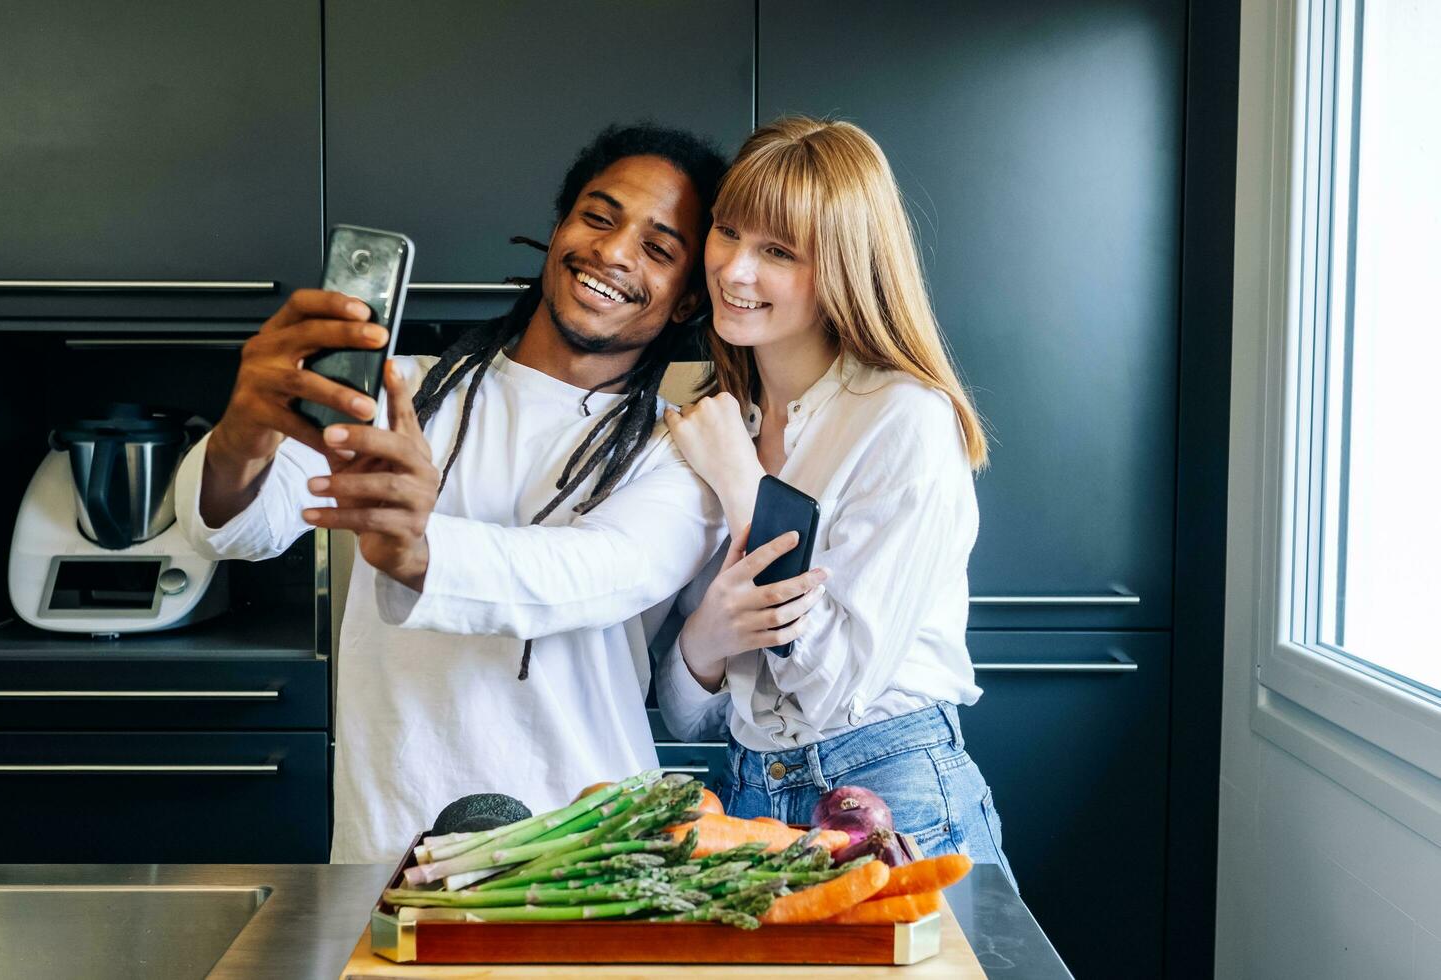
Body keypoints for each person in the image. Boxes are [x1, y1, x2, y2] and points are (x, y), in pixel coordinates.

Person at [174, 124, 753, 864]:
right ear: (557, 231)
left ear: (684, 303)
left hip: (597, 853)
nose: (612, 252)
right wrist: (245, 429)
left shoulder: (679, 451)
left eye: (658, 247)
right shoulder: (401, 391)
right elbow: (231, 531)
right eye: (598, 217)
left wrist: (419, 549)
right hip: (392, 835)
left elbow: (597, 575)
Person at [654, 117, 1016, 887]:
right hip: (747, 799)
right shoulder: (719, 415)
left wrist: (741, 485)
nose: (733, 271)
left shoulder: (903, 418)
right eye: (727, 232)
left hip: (891, 791)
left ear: (843, 268)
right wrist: (705, 640)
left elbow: (830, 687)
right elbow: (689, 716)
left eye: (777, 252)